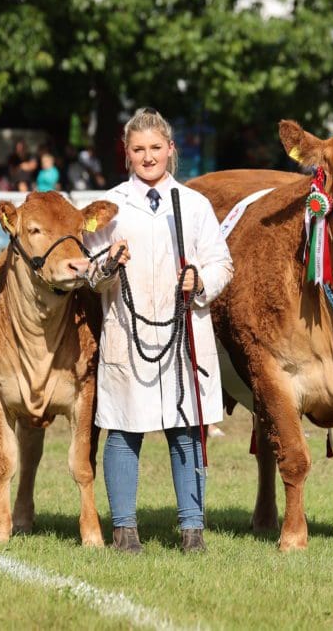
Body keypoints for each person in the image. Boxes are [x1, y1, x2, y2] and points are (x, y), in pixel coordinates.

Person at [86, 108, 233, 554]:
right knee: (123, 427)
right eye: (138, 149)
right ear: (126, 153)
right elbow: (88, 271)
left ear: (170, 149)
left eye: (155, 148)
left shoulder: (194, 205)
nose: (147, 157)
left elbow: (222, 263)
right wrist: (108, 264)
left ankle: (192, 530)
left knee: (186, 428)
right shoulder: (109, 207)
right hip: (127, 334)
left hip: (183, 332)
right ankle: (124, 531)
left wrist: (200, 279)